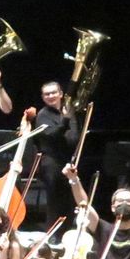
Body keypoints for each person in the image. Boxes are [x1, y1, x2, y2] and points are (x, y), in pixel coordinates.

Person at [31, 81, 81, 222]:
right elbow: (51, 135)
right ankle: (53, 235)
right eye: (47, 94)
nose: (51, 96)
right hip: (52, 162)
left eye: (53, 92)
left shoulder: (69, 110)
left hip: (68, 160)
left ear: (61, 94)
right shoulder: (43, 115)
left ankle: (67, 231)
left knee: (70, 199)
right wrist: (64, 121)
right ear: (43, 97)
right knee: (55, 200)